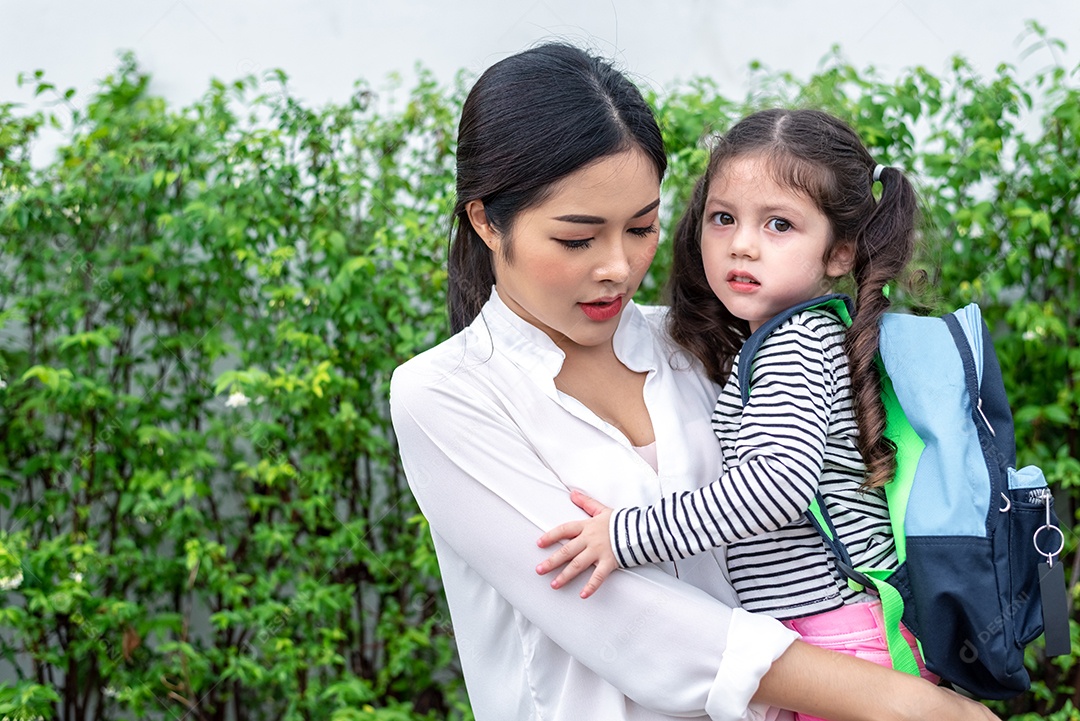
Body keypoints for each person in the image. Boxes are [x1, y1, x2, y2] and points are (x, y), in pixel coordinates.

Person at [390, 43, 997, 721]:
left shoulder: (697, 344)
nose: (619, 267)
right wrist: (905, 701)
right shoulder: (445, 394)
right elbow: (631, 623)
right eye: (577, 239)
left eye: (641, 228)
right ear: (485, 220)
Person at [534, 109, 936, 715]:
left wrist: (626, 535)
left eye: (779, 224)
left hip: (842, 641)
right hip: (840, 636)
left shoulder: (794, 344)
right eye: (723, 218)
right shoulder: (802, 335)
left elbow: (775, 486)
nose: (742, 244)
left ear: (839, 252)